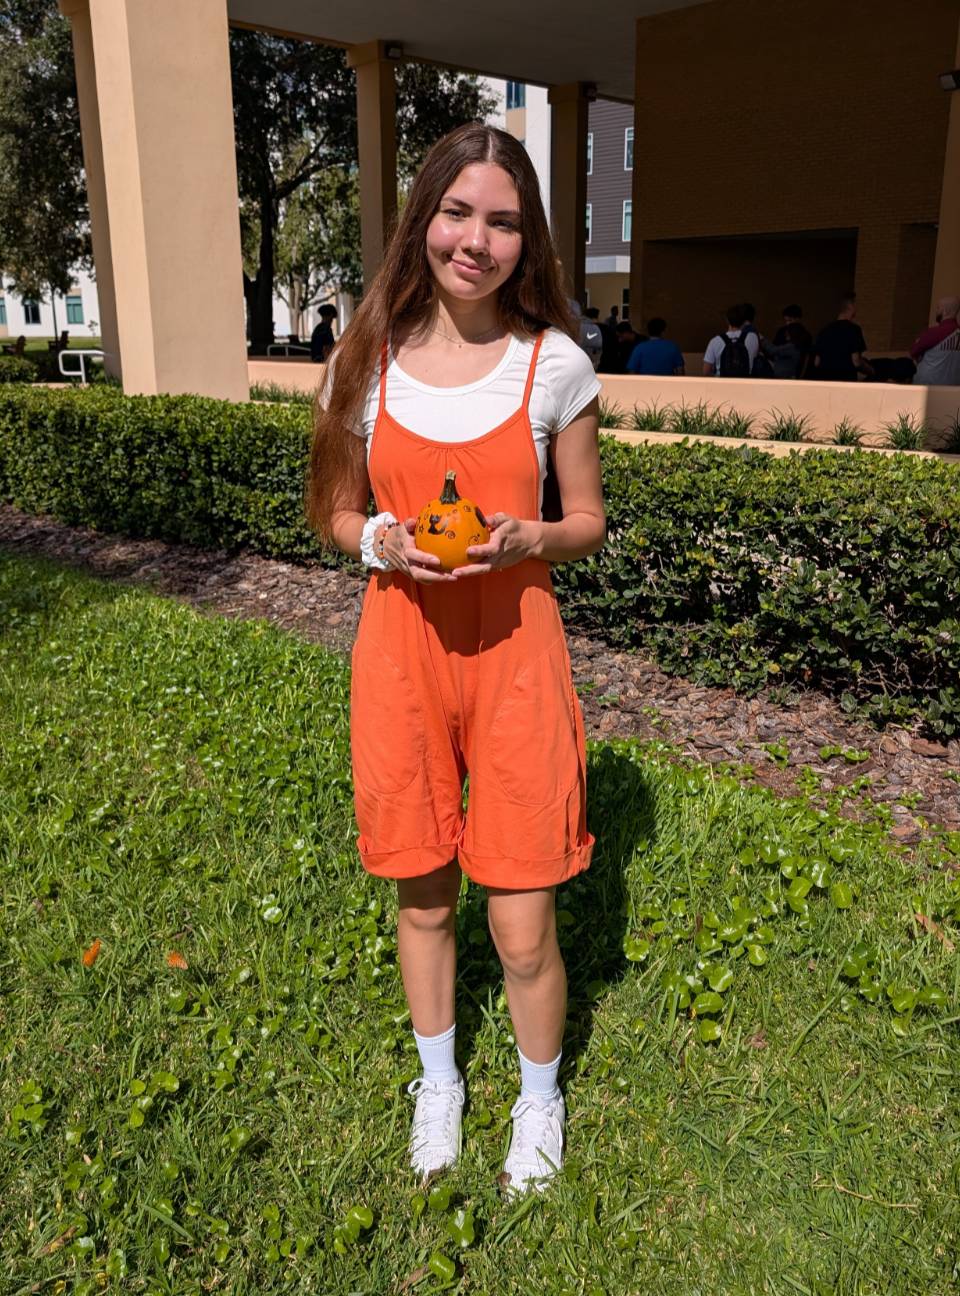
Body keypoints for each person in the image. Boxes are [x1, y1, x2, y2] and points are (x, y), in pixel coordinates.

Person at [307, 123, 604, 1196]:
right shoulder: (364, 356)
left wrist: (531, 537)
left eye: (505, 221)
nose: (477, 241)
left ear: (530, 242)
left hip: (517, 653)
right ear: (423, 217)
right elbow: (336, 513)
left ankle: (538, 1096)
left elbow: (589, 523)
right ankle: (440, 1085)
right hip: (402, 652)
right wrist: (376, 539)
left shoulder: (555, 363)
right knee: (423, 896)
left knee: (522, 921)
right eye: (458, 212)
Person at [812, 295, 871, 381]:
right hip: (845, 382)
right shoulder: (853, 329)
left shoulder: (824, 330)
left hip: (825, 382)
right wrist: (871, 370)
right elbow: (856, 362)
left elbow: (816, 362)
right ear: (851, 306)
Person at [910, 295, 960, 386]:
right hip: (954, 387)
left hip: (928, 386)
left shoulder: (934, 333)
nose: (936, 311)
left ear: (945, 311)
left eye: (938, 308)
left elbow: (913, 351)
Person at [702, 304, 759, 377]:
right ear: (744, 321)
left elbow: (706, 371)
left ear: (727, 320)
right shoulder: (752, 338)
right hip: (745, 383)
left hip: (722, 384)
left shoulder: (715, 341)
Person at [773, 305, 812, 375]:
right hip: (778, 369)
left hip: (793, 372)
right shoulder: (781, 331)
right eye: (785, 321)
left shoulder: (806, 336)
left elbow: (805, 359)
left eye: (790, 320)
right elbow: (774, 349)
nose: (787, 323)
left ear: (798, 319)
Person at [578, 305, 604, 370]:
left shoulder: (576, 325)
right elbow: (597, 347)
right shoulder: (595, 328)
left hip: (576, 362)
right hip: (589, 363)